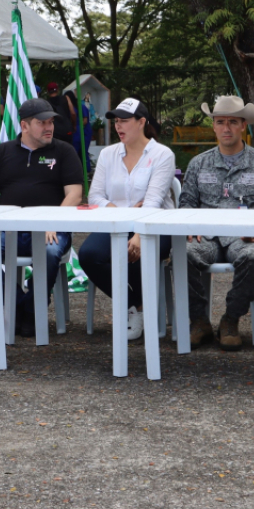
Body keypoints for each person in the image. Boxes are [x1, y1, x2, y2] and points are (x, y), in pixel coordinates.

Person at [179, 95, 254, 350]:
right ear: (214, 126)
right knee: (181, 253)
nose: (226, 128)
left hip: (244, 237)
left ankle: (230, 319)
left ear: (243, 126)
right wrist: (190, 227)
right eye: (220, 122)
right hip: (206, 237)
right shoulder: (199, 163)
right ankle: (198, 320)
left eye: (232, 122)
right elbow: (186, 205)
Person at [0, 98, 84, 337]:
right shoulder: (2, 152)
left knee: (51, 252)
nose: (49, 127)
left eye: (51, 121)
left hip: (49, 229)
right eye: (42, 122)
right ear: (24, 126)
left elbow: (75, 194)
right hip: (6, 229)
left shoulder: (64, 151)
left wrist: (52, 221)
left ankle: (31, 309)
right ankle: (16, 303)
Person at [78, 98, 177, 340]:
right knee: (89, 255)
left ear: (142, 122)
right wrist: (126, 212)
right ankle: (136, 305)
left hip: (155, 226)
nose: (118, 126)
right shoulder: (108, 154)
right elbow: (95, 196)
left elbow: (153, 203)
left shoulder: (162, 154)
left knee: (135, 251)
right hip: (116, 223)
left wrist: (139, 234)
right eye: (116, 122)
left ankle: (139, 310)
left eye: (124, 121)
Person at [45, 81, 78, 145]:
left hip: (54, 131)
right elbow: (73, 113)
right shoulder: (66, 98)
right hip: (67, 129)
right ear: (57, 90)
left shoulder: (46, 103)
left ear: (48, 92)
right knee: (68, 150)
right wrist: (74, 125)